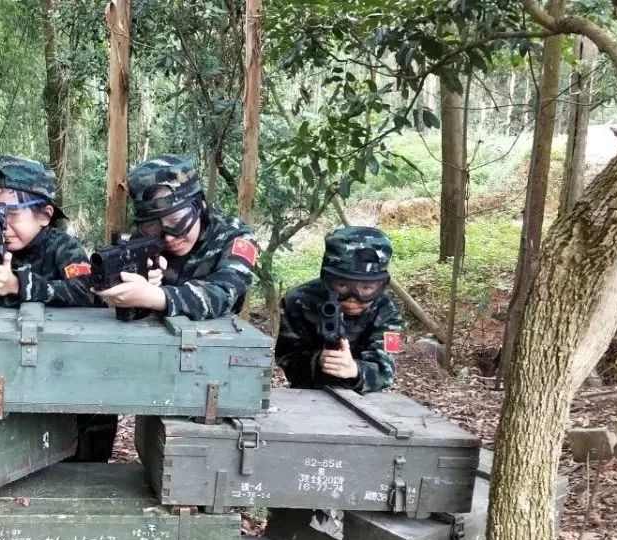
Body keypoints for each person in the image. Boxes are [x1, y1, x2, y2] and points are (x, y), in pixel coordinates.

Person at [91, 154, 257, 320]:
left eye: (177, 221)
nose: (169, 238)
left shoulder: (234, 237)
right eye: (153, 226)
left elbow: (224, 293)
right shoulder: (142, 242)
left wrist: (155, 296)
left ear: (201, 206)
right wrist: (127, 287)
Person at [275, 226, 404, 394]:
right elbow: (287, 358)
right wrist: (317, 360)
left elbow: (385, 369)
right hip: (308, 394)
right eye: (342, 286)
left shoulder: (387, 311)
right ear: (327, 280)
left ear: (380, 285)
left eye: (366, 288)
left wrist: (355, 370)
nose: (353, 297)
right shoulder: (299, 301)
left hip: (366, 399)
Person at [0, 155, 95, 307]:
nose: (2, 225)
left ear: (45, 215)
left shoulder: (64, 246)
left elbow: (84, 293)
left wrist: (19, 285)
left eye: (12, 214)